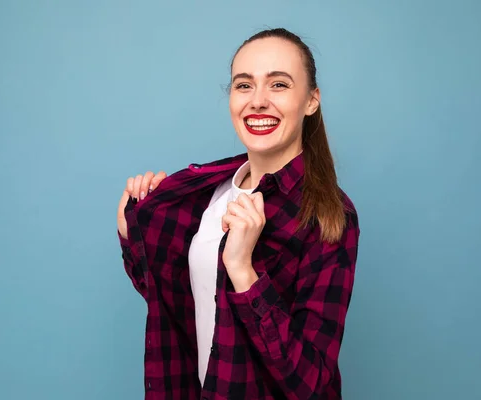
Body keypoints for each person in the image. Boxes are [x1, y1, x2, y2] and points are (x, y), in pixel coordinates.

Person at [116, 28, 360, 400]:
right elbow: (179, 301)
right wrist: (131, 235)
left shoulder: (329, 214)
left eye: (278, 85)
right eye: (244, 85)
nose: (258, 101)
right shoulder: (205, 190)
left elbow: (310, 381)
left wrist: (244, 271)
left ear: (311, 101)